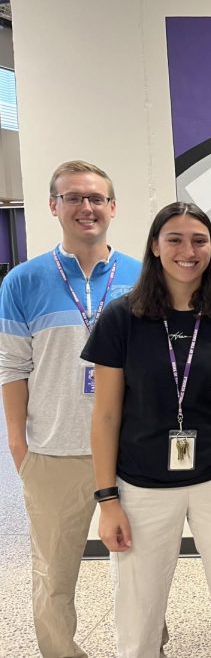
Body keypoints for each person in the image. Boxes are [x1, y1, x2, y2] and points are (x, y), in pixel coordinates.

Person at [83, 202, 211, 657]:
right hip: (141, 483)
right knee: (138, 614)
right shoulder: (121, 319)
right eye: (176, 240)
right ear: (154, 247)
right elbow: (104, 416)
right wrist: (107, 500)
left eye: (199, 240)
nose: (189, 251)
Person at [0, 160, 141, 658]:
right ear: (53, 206)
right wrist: (18, 443)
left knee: (140, 569)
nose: (87, 207)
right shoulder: (22, 281)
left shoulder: (140, 275)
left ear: (113, 207)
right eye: (74, 198)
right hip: (54, 451)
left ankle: (148, 647)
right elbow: (12, 368)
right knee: (54, 575)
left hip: (130, 452)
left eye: (97, 198)